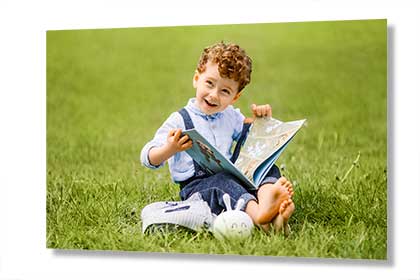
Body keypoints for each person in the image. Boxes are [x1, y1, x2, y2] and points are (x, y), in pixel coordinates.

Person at [140, 42, 295, 233]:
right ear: (197, 78)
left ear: (235, 97)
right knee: (223, 183)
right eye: (209, 83)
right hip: (198, 188)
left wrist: (262, 119)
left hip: (233, 178)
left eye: (225, 91)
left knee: (265, 165)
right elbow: (148, 157)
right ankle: (261, 217)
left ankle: (270, 202)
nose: (214, 95)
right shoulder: (180, 119)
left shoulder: (230, 115)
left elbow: (252, 136)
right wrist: (169, 149)